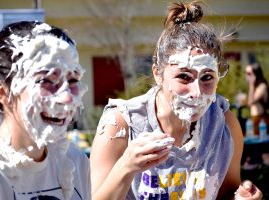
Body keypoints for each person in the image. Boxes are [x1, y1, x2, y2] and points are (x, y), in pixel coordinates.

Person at [90, 1, 262, 200]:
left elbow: (225, 194)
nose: (196, 92)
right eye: (184, 77)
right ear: (158, 74)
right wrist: (126, 166)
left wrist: (242, 197)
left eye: (207, 77)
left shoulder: (224, 125)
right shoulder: (121, 124)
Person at [0, 21, 91, 199]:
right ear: (2, 92)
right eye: (47, 81)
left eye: (72, 81)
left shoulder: (74, 161)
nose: (67, 97)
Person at [245, 62, 269, 135]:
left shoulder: (262, 86)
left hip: (261, 120)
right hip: (254, 119)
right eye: (246, 73)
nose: (246, 76)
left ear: (256, 74)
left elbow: (251, 102)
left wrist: (251, 85)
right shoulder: (255, 86)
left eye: (249, 73)